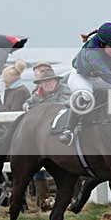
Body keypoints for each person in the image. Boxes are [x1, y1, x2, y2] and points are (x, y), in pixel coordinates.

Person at [23, 65, 72, 210]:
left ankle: (71, 199)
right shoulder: (38, 94)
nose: (48, 83)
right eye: (44, 82)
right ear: (40, 84)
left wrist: (39, 108)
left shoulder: (65, 90)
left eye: (50, 80)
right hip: (44, 136)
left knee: (69, 166)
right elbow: (27, 103)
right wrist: (27, 106)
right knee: (36, 164)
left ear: (56, 81)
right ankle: (43, 200)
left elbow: (62, 104)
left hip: (62, 133)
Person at [0, 59, 30, 138]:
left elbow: (13, 114)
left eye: (4, 80)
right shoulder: (13, 90)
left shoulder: (21, 92)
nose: (3, 81)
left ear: (8, 80)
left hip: (16, 133)